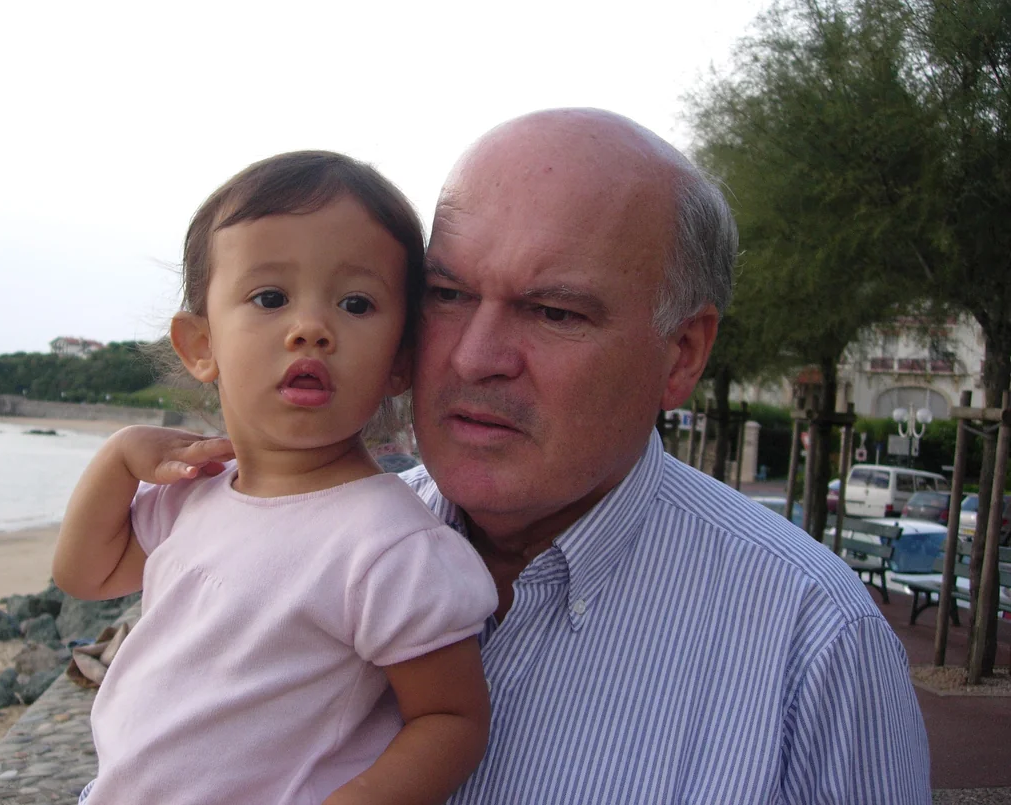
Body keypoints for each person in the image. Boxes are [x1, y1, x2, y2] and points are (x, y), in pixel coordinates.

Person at [399, 108, 931, 803]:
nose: (474, 357)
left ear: (683, 354)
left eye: (554, 312)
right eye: (447, 294)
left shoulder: (814, 642)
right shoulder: (298, 546)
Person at [52, 151, 498, 805]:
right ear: (200, 344)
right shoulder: (198, 492)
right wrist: (118, 457)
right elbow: (85, 574)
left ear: (400, 360)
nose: (310, 328)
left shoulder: (389, 546)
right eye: (270, 298)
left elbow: (450, 719)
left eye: (356, 303)